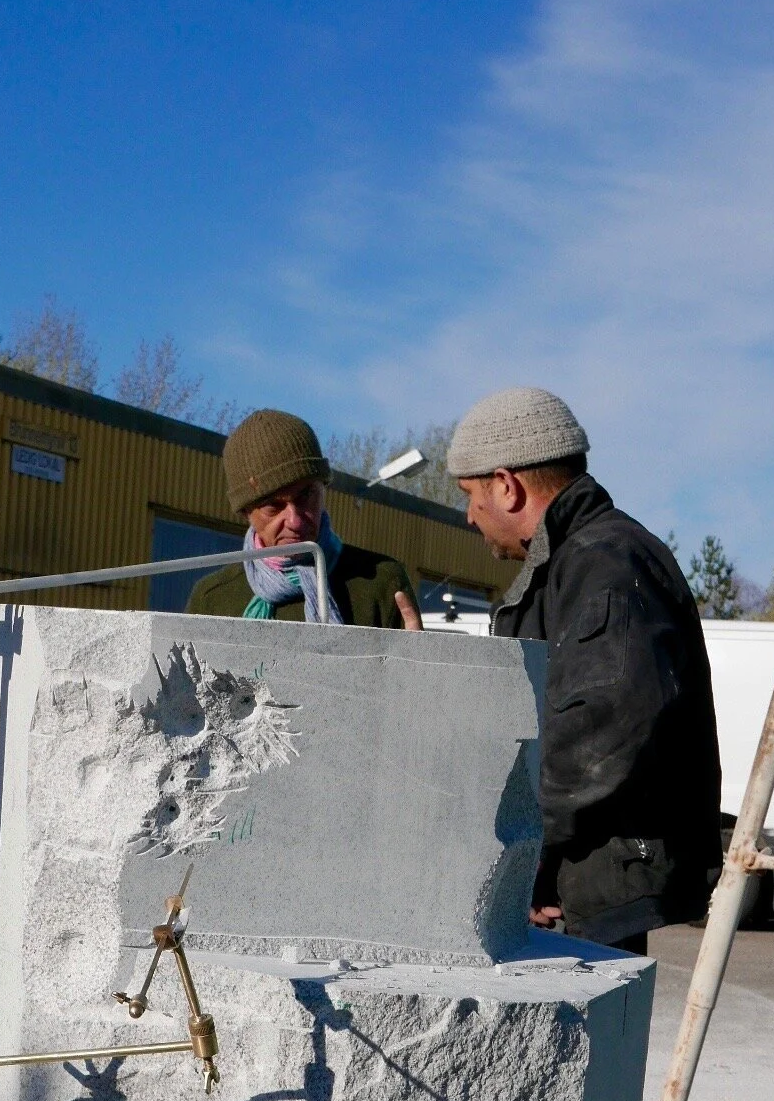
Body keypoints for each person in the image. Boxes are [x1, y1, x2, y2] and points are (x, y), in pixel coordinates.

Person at [445, 387, 721, 953]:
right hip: (583, 871)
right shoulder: (577, 562)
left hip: (605, 875)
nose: (470, 515)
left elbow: (602, 735)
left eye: (470, 495)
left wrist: (517, 843)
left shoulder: (604, 561)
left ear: (506, 485)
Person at [186, 408, 423, 629]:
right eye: (273, 506)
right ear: (245, 512)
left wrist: (421, 659)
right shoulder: (212, 600)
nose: (295, 521)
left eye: (306, 496)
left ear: (323, 489)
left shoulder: (381, 583)